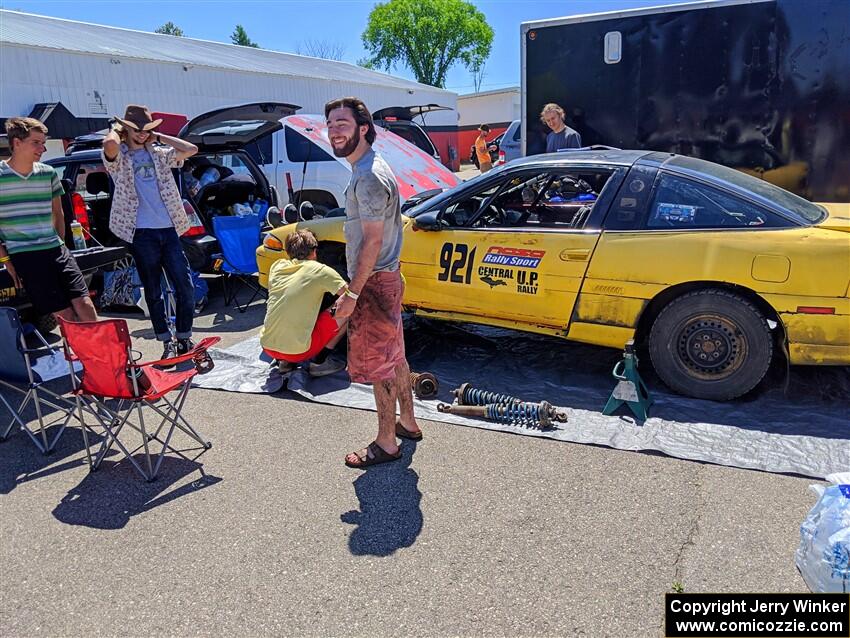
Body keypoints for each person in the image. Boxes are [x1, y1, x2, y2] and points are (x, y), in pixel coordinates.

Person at [324, 96, 422, 469]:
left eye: (343, 123)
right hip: (386, 278)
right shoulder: (369, 167)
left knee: (380, 364)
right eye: (331, 124)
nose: (335, 130)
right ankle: (408, 423)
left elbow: (372, 241)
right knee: (395, 353)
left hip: (374, 283)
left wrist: (352, 292)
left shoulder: (367, 176)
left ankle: (387, 442)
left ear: (363, 129)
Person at [102, 105, 198, 361]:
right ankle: (165, 341)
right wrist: (116, 129)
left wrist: (159, 136)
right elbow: (109, 147)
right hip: (141, 232)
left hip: (169, 229)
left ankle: (184, 337)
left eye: (146, 130)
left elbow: (190, 150)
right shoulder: (120, 156)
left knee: (185, 286)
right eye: (137, 130)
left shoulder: (159, 153)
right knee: (153, 291)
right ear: (126, 129)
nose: (143, 135)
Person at [0, 117, 98, 323]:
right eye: (36, 142)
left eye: (44, 143)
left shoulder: (48, 173)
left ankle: (101, 354)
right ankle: (77, 354)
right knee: (65, 315)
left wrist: (61, 244)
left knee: (85, 304)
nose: (42, 149)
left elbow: (58, 214)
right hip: (24, 254)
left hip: (55, 249)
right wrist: (6, 260)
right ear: (16, 142)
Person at [260, 229, 349, 376]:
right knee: (347, 308)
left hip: (268, 347)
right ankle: (319, 363)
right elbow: (349, 295)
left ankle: (285, 363)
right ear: (314, 252)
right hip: (299, 352)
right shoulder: (320, 270)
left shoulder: (277, 266)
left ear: (288, 252)